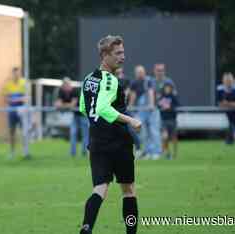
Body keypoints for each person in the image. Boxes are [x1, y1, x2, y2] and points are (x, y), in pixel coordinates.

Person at [78, 35, 141, 234]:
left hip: (96, 141)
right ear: (104, 55)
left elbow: (82, 107)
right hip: (117, 142)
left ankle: (86, 228)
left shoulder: (88, 78)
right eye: (117, 53)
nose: (122, 57)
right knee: (129, 190)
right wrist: (130, 120)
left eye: (123, 52)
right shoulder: (110, 80)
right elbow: (104, 108)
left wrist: (97, 126)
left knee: (100, 188)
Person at [55, 77, 89, 156]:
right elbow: (57, 104)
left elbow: (72, 105)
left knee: (85, 134)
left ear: (69, 85)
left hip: (83, 114)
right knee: (73, 133)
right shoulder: (61, 91)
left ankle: (84, 151)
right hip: (75, 115)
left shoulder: (75, 91)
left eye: (67, 85)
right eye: (64, 86)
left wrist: (63, 105)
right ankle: (73, 153)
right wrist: (66, 105)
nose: (65, 87)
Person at [128, 65, 157, 159]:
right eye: (138, 72)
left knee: (153, 131)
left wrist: (151, 104)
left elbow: (150, 92)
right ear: (135, 73)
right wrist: (130, 106)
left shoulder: (148, 81)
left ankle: (156, 152)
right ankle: (146, 152)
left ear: (144, 72)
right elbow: (133, 95)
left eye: (141, 72)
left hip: (150, 109)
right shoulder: (134, 83)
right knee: (142, 132)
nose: (140, 74)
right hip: (141, 110)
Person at [3, 67, 29, 159]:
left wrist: (15, 99)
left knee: (24, 131)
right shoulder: (8, 84)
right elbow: (6, 98)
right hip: (11, 110)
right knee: (11, 131)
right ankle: (12, 152)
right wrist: (14, 99)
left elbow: (26, 98)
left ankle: (25, 151)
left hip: (21, 110)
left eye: (17, 73)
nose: (16, 75)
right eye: (14, 73)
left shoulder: (24, 83)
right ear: (12, 74)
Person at [115, 67, 141, 155]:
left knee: (130, 129)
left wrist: (128, 104)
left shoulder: (125, 80)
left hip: (124, 108)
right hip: (116, 109)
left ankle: (138, 148)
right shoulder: (112, 79)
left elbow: (127, 93)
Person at [157, 83, 179, 159]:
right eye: (166, 88)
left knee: (174, 137)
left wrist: (170, 107)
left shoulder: (173, 97)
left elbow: (177, 105)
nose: (167, 89)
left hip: (172, 119)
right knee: (165, 137)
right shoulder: (161, 97)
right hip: (164, 120)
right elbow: (158, 106)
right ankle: (167, 153)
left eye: (169, 88)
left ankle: (175, 154)